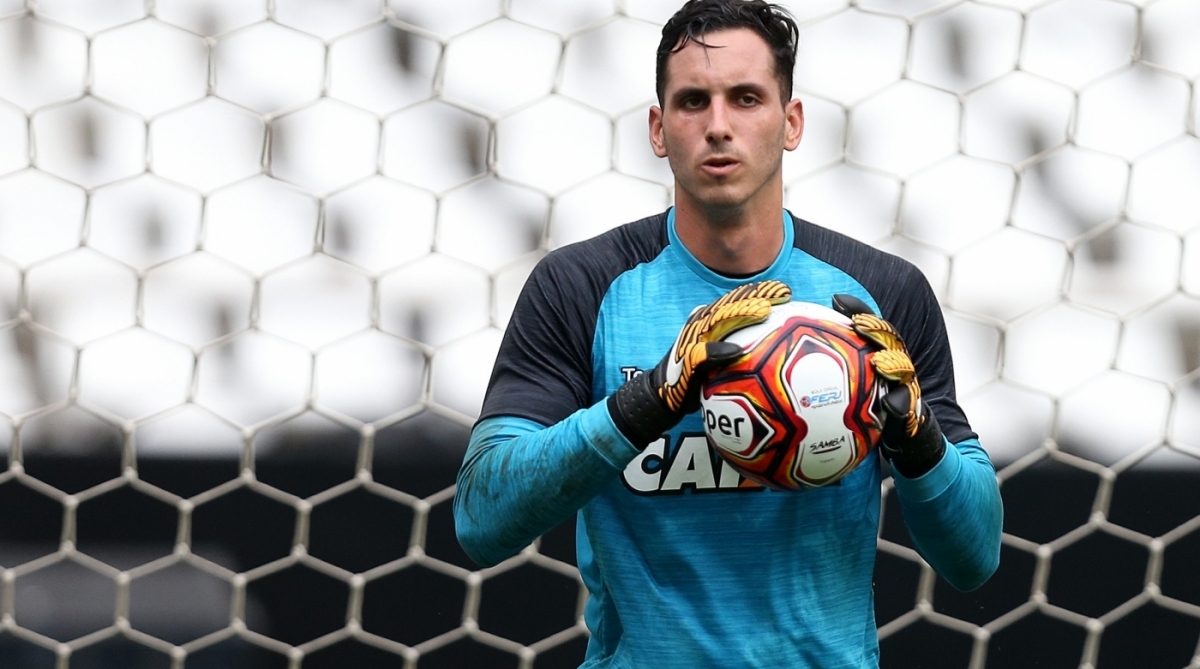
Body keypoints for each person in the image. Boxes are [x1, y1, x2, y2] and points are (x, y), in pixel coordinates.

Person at [454, 0, 1002, 666]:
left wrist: (917, 437)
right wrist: (647, 401)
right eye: (692, 102)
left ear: (791, 121)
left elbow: (976, 555)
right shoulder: (581, 287)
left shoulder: (876, 297)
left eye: (746, 98)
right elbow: (481, 520)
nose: (718, 126)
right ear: (657, 129)